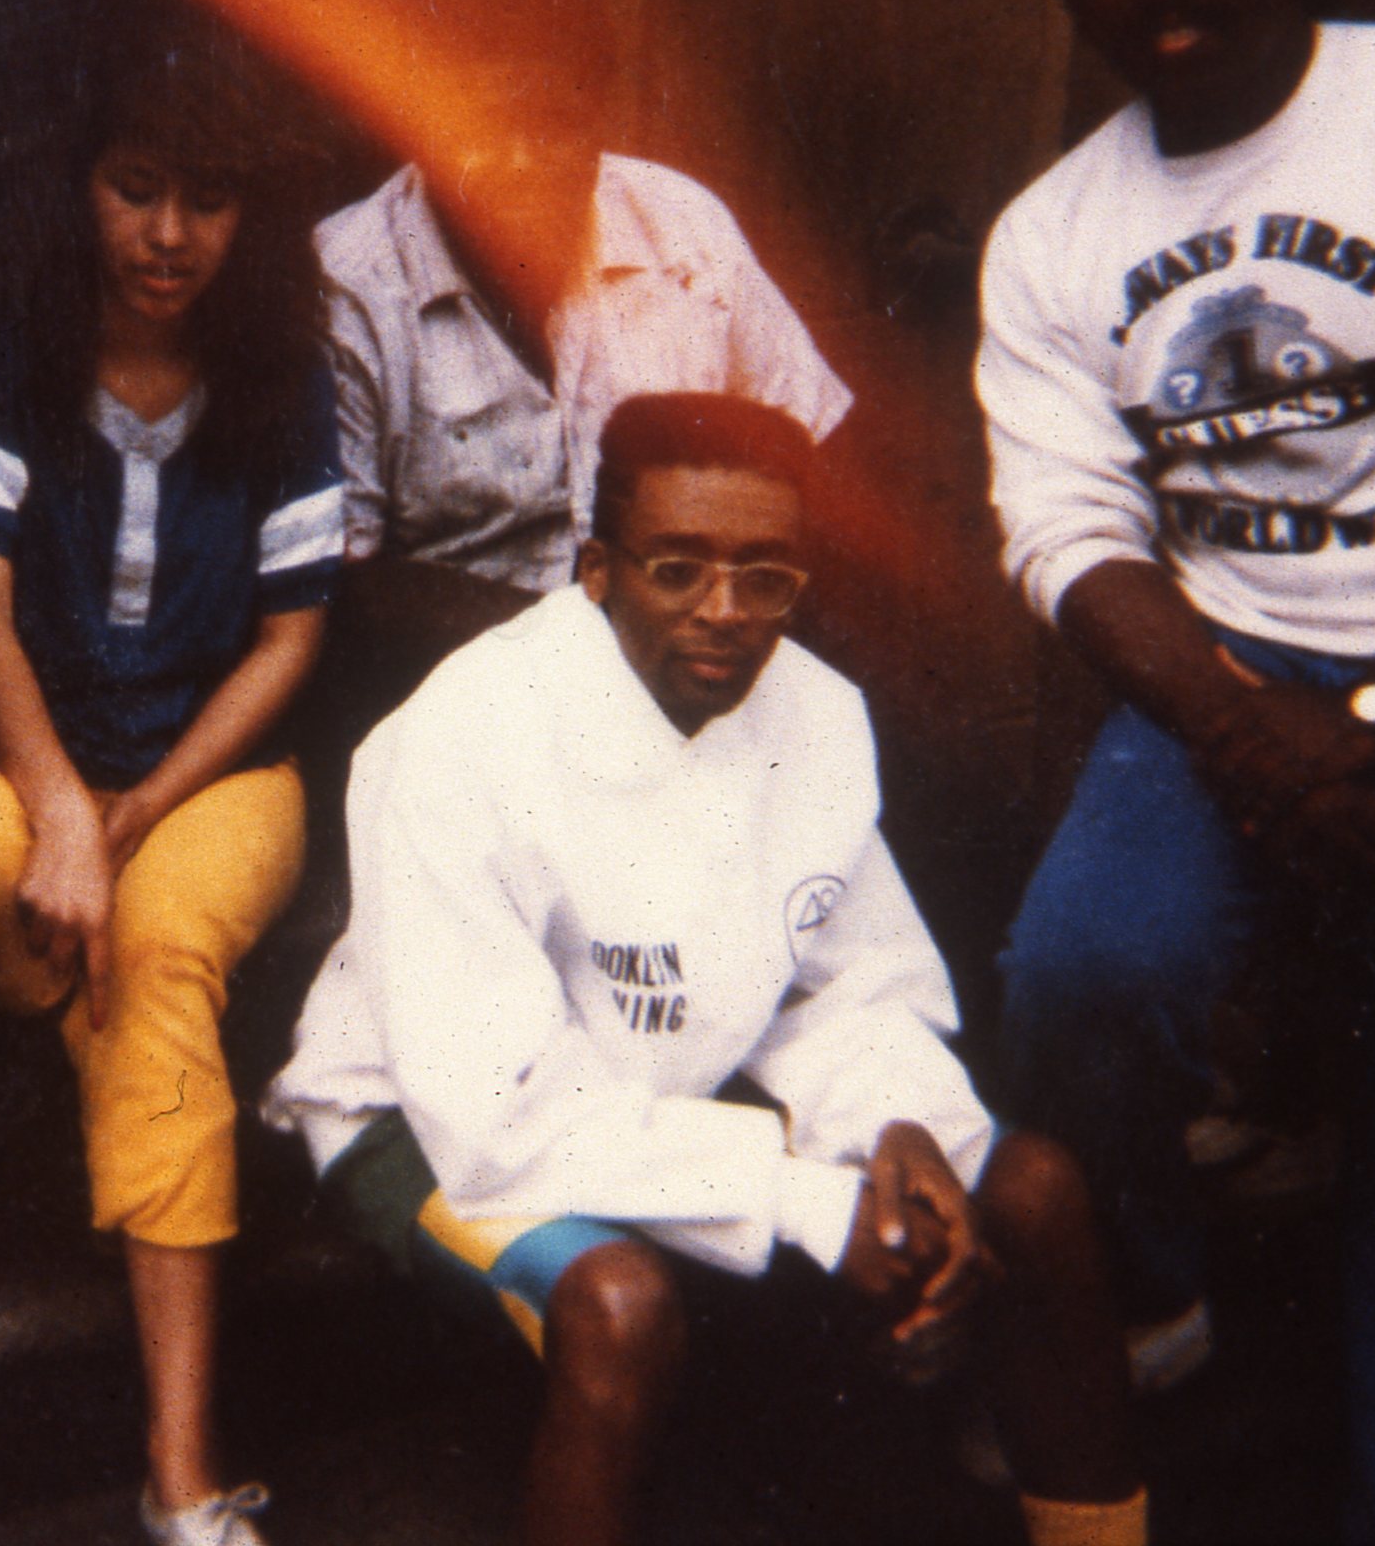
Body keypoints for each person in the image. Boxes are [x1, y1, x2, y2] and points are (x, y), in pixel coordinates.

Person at [266, 392, 1147, 1546]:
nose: (723, 613)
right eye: (674, 568)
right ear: (594, 568)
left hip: (667, 1084)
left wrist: (900, 1125)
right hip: (424, 1116)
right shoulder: (460, 736)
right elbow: (494, 1117)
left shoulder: (817, 717)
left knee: (1030, 1192)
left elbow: (846, 980)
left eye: (764, 575)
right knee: (619, 1305)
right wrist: (813, 1202)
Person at [976, 0, 1375, 1535]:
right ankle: (1147, 1289)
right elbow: (1066, 534)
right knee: (1075, 974)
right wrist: (1248, 737)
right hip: (1223, 670)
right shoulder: (1054, 231)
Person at [0, 9, 343, 1546]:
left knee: (153, 950)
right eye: (135, 187)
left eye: (209, 201)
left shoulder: (286, 375)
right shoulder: (0, 345)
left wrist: (135, 815)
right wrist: (57, 815)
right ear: (81, 185)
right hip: (22, 757)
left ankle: (179, 1472)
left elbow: (291, 643)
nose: (168, 236)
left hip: (218, 779)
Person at [319, 0, 852, 686]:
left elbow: (807, 449)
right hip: (459, 685)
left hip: (690, 666)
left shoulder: (681, 229)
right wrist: (592, 648)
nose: (521, 162)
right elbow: (342, 585)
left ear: (599, 119)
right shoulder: (351, 280)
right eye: (477, 127)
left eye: (553, 125)